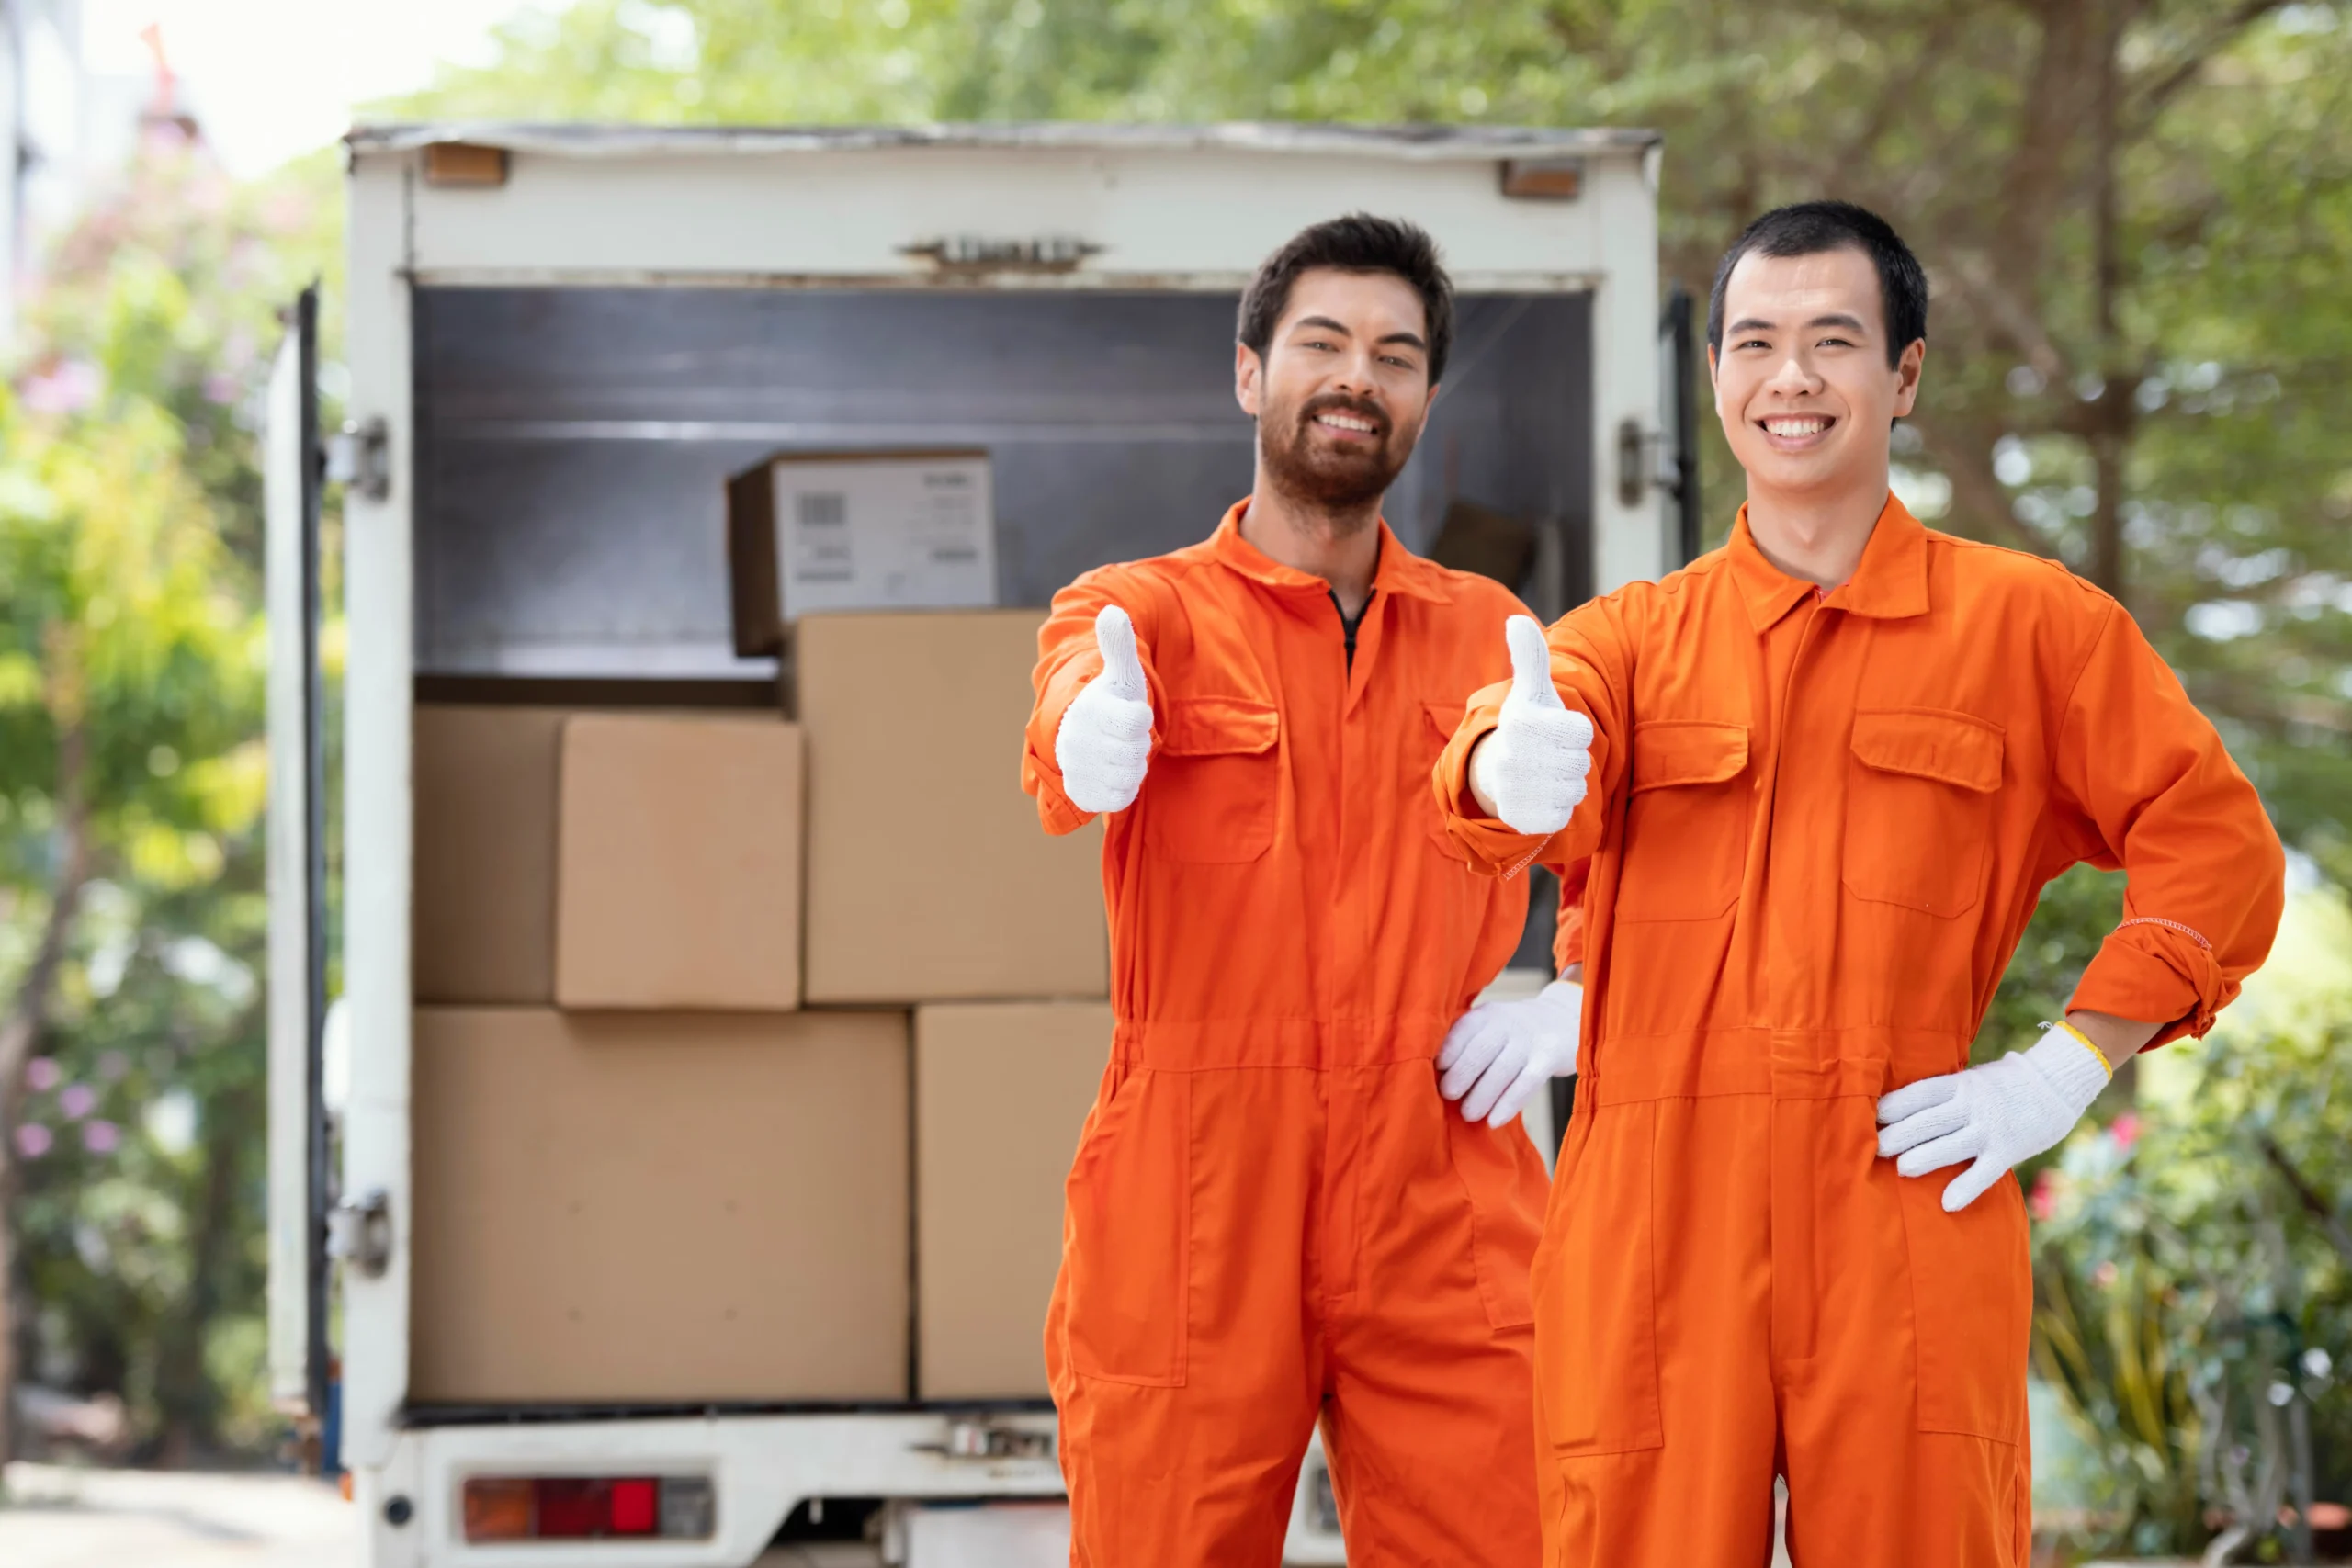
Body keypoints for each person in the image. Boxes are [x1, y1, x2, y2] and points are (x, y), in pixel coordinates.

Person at [1433, 200, 2285, 1568]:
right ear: (1715, 377)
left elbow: (2220, 846)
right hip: (1657, 1228)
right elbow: (1521, 748)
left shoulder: (2031, 628)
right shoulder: (1630, 644)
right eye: (1755, 343)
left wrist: (2065, 1066)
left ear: (1905, 377)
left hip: (1902, 1186)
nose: (1792, 379)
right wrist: (1504, 765)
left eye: (1834, 341)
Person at [1023, 213, 1577, 1567]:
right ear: (1249, 372)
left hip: (1439, 1180)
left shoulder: (1487, 631)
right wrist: (1087, 737)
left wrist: (1580, 998)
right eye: (1322, 342)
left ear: (1426, 402)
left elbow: (1654, 863)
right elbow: (1061, 714)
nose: (1357, 376)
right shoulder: (1136, 611)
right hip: (1196, 1189)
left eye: (1395, 356)